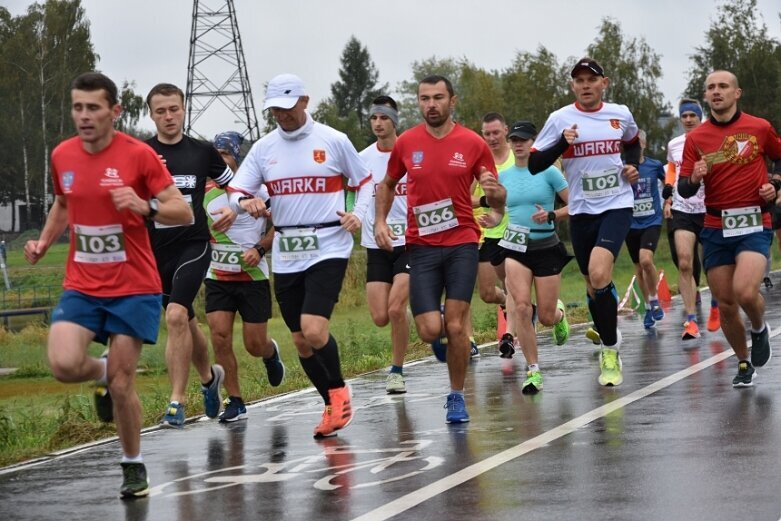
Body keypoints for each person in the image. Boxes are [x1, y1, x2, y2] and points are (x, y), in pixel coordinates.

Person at [24, 72, 192, 498]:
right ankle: (100, 369)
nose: (84, 116)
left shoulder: (139, 156)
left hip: (134, 285)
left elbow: (182, 212)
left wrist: (145, 205)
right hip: (82, 282)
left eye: (93, 107)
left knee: (123, 385)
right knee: (63, 364)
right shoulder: (62, 154)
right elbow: (64, 203)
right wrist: (44, 241)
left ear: (115, 111)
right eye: (77, 107)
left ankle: (133, 465)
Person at [227, 73, 373, 438]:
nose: (282, 115)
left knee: (313, 327)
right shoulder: (264, 148)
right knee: (300, 341)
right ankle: (331, 403)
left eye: (288, 108)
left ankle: (339, 391)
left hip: (329, 243)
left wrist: (360, 214)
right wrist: (247, 201)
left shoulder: (333, 140)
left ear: (305, 102)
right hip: (287, 250)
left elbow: (365, 181)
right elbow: (235, 191)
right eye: (275, 109)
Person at [375, 75, 506, 423]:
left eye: (437, 98)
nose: (430, 105)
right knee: (430, 329)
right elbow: (386, 184)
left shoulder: (472, 142)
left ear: (453, 101)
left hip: (462, 240)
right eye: (424, 99)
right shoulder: (407, 143)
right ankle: (444, 328)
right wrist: (380, 222)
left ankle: (456, 396)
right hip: (421, 246)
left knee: (458, 326)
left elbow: (496, 192)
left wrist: (496, 203)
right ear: (418, 103)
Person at [530, 57, 640, 387]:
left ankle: (610, 350)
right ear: (572, 86)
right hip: (580, 212)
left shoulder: (619, 114)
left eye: (591, 80)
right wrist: (563, 142)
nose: (585, 85)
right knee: (593, 286)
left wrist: (632, 166)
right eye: (579, 81)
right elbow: (535, 163)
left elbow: (633, 142)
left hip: (617, 204)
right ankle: (608, 330)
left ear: (603, 83)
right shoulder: (560, 118)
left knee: (598, 272)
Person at [678, 70, 781, 387]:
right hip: (715, 225)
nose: (716, 91)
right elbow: (683, 189)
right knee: (725, 303)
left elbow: (779, 159)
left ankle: (759, 327)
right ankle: (743, 362)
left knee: (745, 290)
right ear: (706, 96)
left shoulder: (759, 128)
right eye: (711, 88)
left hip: (753, 222)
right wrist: (695, 178)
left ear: (737, 93)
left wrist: (774, 184)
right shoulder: (696, 139)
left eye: (723, 86)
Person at [145, 83, 235, 428]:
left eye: (174, 109)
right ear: (152, 115)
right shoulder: (141, 153)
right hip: (155, 250)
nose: (168, 116)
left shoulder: (201, 151)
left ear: (184, 109)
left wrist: (236, 209)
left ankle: (177, 400)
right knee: (186, 321)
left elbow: (235, 184)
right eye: (160, 111)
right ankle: (209, 379)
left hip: (194, 245)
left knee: (175, 316)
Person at [480, 121, 571, 394]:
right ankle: (533, 370)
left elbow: (576, 203)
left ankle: (559, 314)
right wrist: (491, 219)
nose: (518, 144)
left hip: (546, 247)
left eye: (524, 140)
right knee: (520, 307)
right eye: (515, 140)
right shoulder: (503, 176)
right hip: (515, 246)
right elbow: (498, 212)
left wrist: (552, 215)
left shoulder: (549, 172)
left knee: (544, 315)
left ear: (534, 143)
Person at [205, 131, 286, 422]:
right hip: (217, 276)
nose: (220, 161)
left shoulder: (256, 190)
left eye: (225, 155)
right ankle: (235, 401)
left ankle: (269, 352)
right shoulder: (204, 191)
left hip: (252, 276)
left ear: (236, 159)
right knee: (220, 337)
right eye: (216, 156)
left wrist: (260, 248)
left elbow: (281, 223)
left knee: (253, 344)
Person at [358, 96, 411, 394]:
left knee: (395, 309)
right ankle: (428, 309)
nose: (377, 123)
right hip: (376, 243)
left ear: (394, 121)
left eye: (383, 118)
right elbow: (352, 193)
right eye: (373, 118)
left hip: (409, 242)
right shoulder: (362, 157)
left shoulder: (411, 152)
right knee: (380, 316)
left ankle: (397, 371)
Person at [663, 99, 720, 338]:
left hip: (709, 208)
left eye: (692, 115)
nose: (688, 119)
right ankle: (691, 319)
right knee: (685, 262)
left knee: (713, 264)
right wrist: (667, 191)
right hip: (682, 207)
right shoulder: (675, 144)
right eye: (684, 116)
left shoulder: (713, 138)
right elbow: (673, 168)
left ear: (701, 116)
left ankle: (716, 307)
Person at [475, 113, 514, 357]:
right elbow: (464, 198)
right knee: (488, 293)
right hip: (488, 231)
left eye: (496, 133)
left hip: (517, 230)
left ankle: (509, 337)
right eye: (487, 134)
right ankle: (508, 303)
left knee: (513, 284)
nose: (491, 138)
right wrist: (486, 201)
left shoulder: (517, 158)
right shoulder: (478, 163)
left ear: (506, 130)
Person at [626, 129, 666, 329]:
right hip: (630, 223)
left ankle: (655, 298)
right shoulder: (622, 168)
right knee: (639, 268)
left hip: (652, 220)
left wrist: (669, 201)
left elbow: (668, 181)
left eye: (638, 142)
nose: (635, 145)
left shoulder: (654, 165)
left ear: (644, 144)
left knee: (646, 259)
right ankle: (650, 306)